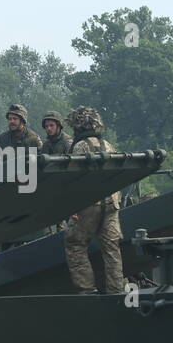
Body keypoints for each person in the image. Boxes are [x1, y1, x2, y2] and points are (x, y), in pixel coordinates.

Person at [63, 106, 124, 295]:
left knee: (75, 244)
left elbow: (72, 179)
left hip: (88, 204)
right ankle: (116, 291)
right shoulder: (108, 145)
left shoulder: (79, 147)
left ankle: (87, 291)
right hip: (112, 202)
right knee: (112, 248)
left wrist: (71, 206)